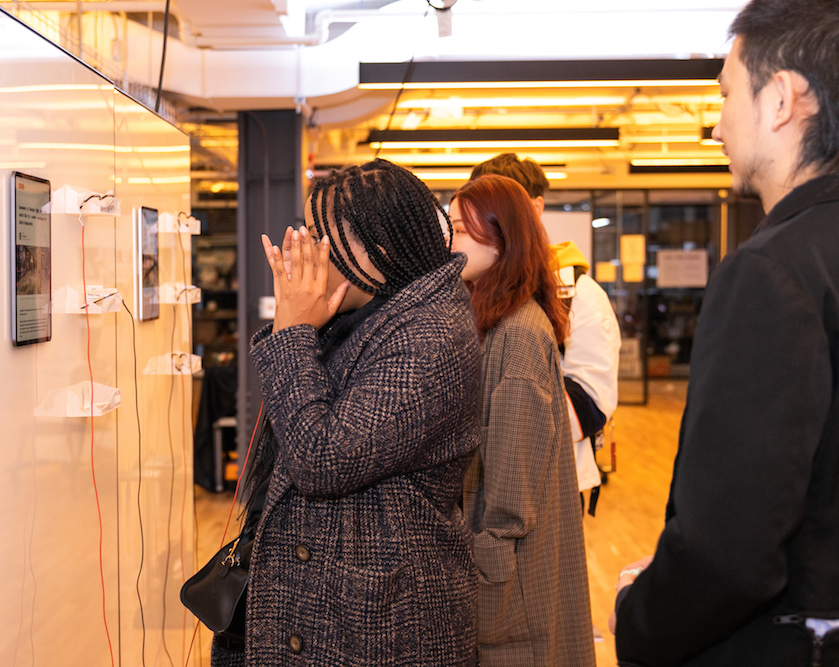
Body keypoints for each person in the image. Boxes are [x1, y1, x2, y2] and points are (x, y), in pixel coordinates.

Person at [611, 0, 839, 663]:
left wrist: (639, 615)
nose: (715, 125)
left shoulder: (772, 273)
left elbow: (731, 552)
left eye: (723, 94)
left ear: (782, 101)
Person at [211, 159, 482, 666]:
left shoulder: (431, 338)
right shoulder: (376, 310)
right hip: (342, 609)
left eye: (322, 237)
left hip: (383, 625)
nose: (308, 252)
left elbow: (320, 458)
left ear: (377, 249)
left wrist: (293, 331)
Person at [454, 174, 596, 666]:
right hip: (504, 574)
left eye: (459, 229)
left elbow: (513, 494)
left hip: (509, 585)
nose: (449, 242)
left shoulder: (517, 335)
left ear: (501, 238)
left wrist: (477, 559)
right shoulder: (497, 321)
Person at [471, 154, 621, 513]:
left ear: (535, 207)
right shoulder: (467, 289)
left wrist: (505, 427)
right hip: (476, 479)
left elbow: (593, 400)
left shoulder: (578, 293)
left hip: (552, 479)